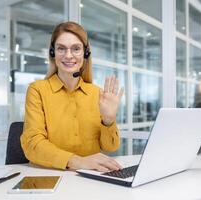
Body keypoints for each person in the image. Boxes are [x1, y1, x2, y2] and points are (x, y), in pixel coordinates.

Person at [21, 21, 124, 172]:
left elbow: (110, 147)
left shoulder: (97, 93)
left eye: (76, 49)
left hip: (90, 176)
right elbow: (32, 144)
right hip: (51, 175)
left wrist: (108, 120)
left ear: (85, 53)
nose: (68, 55)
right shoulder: (37, 90)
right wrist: (77, 162)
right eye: (61, 48)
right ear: (52, 53)